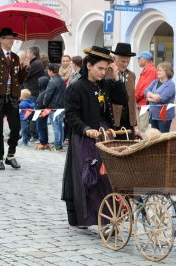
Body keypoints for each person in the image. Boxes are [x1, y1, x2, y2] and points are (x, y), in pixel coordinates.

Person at [62, 46, 127, 227]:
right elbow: (71, 115)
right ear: (89, 66)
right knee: (88, 178)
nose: (102, 72)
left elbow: (122, 99)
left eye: (105, 69)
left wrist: (114, 77)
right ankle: (86, 218)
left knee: (106, 177)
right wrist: (85, 129)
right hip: (84, 138)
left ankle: (106, 217)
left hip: (104, 135)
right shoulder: (76, 87)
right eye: (100, 68)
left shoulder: (105, 84)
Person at [0, 28, 27, 170]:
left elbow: (19, 80)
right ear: (1, 40)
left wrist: (24, 68)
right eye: (8, 38)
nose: (11, 40)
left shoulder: (15, 57)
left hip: (12, 97)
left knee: (16, 128)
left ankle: (11, 155)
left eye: (12, 38)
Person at [107, 42, 137, 138]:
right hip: (113, 119)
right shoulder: (107, 72)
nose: (125, 64)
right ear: (115, 59)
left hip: (128, 119)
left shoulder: (132, 75)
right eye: (122, 61)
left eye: (127, 61)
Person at [144, 62, 176, 133]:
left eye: (160, 70)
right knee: (154, 136)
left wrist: (149, 98)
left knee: (163, 137)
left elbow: (161, 99)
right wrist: (153, 95)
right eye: (157, 70)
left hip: (164, 117)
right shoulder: (155, 82)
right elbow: (146, 91)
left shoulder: (170, 84)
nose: (157, 72)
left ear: (167, 72)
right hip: (153, 115)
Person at [43, 63, 66, 151]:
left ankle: (57, 145)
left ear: (51, 71)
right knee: (60, 126)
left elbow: (48, 94)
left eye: (48, 71)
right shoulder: (61, 80)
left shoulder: (52, 81)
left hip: (54, 106)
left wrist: (45, 104)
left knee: (56, 126)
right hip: (61, 106)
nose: (48, 72)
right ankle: (60, 143)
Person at [135, 51, 157, 138]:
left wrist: (136, 96)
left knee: (143, 129)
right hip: (142, 102)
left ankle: (146, 149)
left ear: (146, 59)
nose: (138, 60)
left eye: (139, 58)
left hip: (145, 103)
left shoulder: (151, 70)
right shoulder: (147, 70)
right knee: (142, 127)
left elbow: (145, 87)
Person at [35, 76, 50, 150]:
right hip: (42, 111)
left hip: (41, 112)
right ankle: (45, 142)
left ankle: (43, 143)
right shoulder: (43, 91)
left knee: (40, 127)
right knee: (43, 127)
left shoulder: (44, 92)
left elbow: (41, 103)